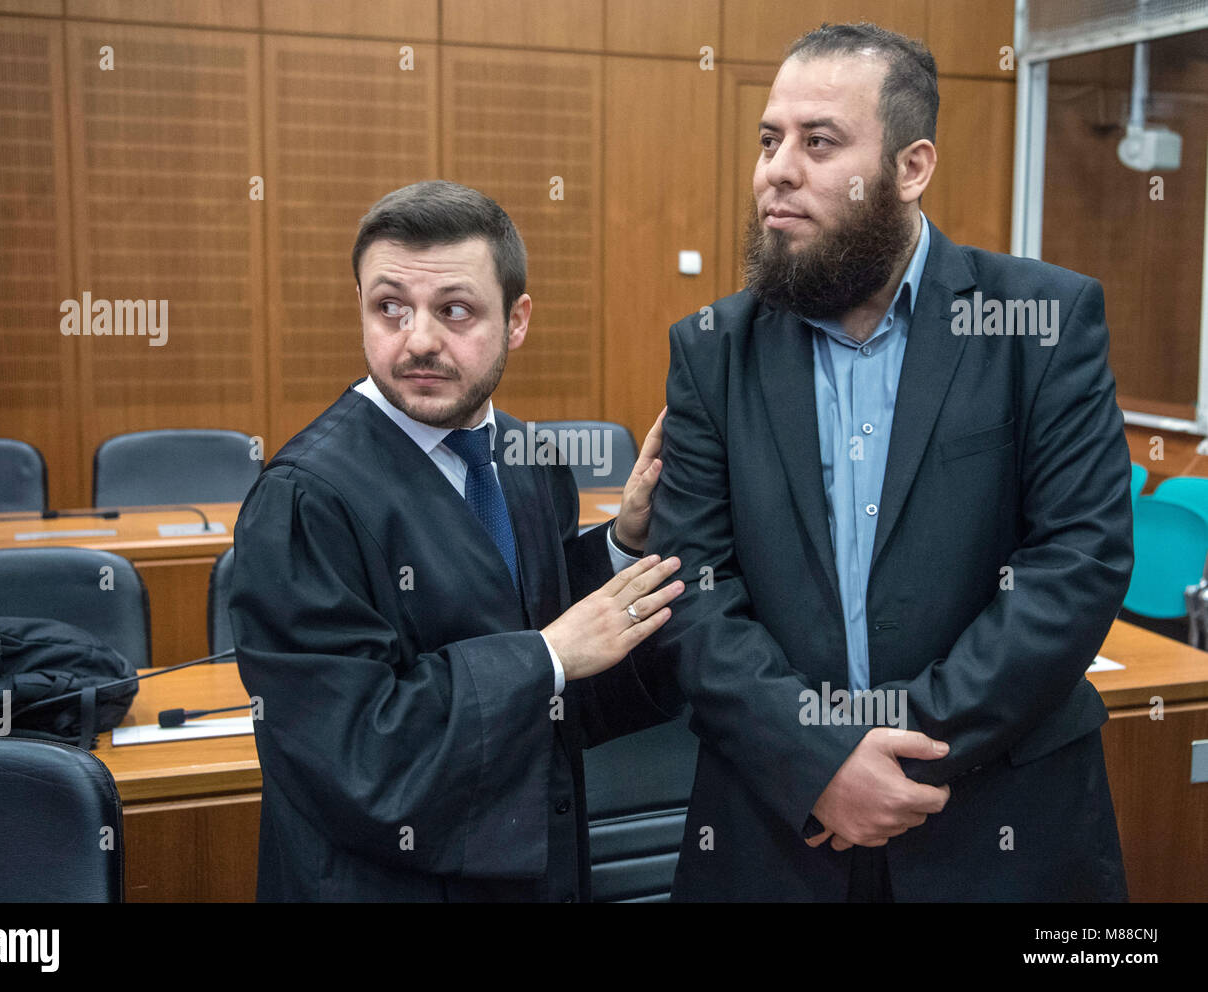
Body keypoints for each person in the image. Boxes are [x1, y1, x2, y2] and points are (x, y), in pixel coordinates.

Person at [646, 23, 1131, 901]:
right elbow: (694, 591)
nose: (776, 170)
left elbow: (1076, 566)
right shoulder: (713, 351)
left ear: (911, 168)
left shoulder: (1038, 323)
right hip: (777, 833)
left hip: (997, 828)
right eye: (768, 140)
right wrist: (818, 758)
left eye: (818, 141)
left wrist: (883, 750)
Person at [230, 180, 683, 902]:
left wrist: (625, 543)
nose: (418, 339)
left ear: (518, 319)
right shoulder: (304, 500)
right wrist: (546, 659)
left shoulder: (528, 459)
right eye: (390, 308)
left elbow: (539, 621)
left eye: (455, 311)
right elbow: (357, 752)